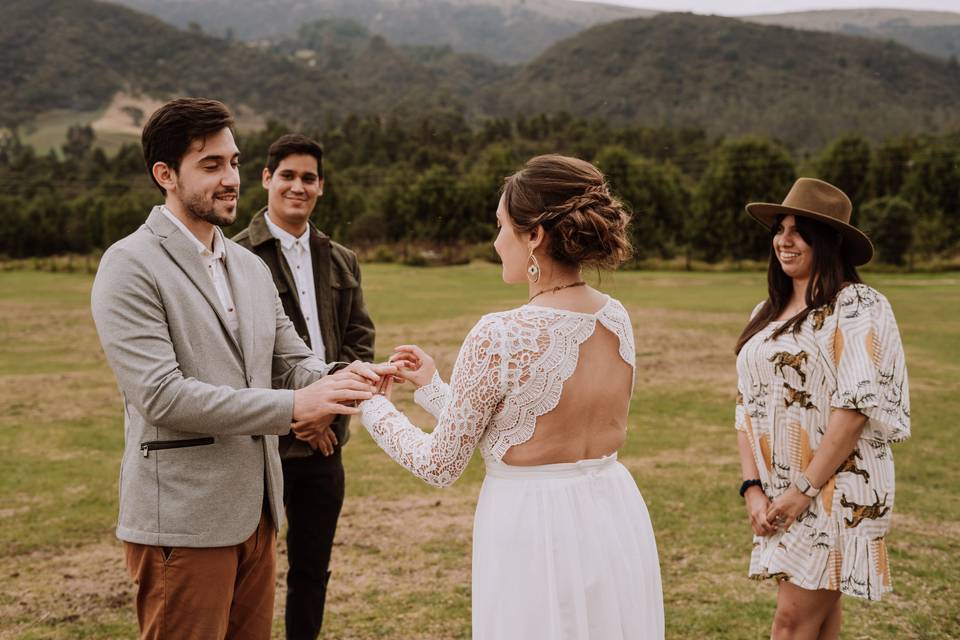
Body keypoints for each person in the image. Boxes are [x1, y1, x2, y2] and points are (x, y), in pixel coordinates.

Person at [90, 98, 390, 640]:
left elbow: (296, 362)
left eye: (232, 162)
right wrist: (296, 407)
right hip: (184, 520)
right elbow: (162, 396)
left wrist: (350, 380)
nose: (230, 179)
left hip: (258, 513)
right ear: (165, 175)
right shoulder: (129, 264)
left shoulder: (249, 266)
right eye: (211, 166)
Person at [349, 154, 664, 639]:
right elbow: (519, 423)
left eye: (501, 226)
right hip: (611, 514)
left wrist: (370, 405)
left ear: (534, 235)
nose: (496, 241)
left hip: (533, 527)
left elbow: (440, 463)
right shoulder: (614, 317)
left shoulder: (501, 333)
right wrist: (434, 387)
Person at [734, 178, 911, 639]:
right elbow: (746, 407)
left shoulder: (855, 304)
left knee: (791, 624)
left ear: (829, 241)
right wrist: (753, 487)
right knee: (818, 624)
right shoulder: (766, 311)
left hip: (839, 488)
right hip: (780, 491)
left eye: (799, 230)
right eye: (780, 228)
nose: (783, 240)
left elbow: (853, 409)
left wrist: (803, 490)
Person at [233, 133, 375, 639]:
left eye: (308, 178)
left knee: (312, 572)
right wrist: (298, 414)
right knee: (245, 572)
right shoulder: (235, 256)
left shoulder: (340, 258)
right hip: (259, 442)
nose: (298, 186)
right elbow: (238, 355)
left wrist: (326, 412)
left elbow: (360, 341)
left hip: (327, 443)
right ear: (267, 179)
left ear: (321, 186)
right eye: (287, 175)